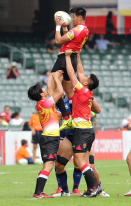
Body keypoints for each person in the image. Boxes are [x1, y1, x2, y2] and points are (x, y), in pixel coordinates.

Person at [64, 50, 100, 197]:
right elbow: (79, 71)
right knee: (83, 161)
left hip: (82, 131)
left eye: (86, 77)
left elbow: (72, 73)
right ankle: (93, 188)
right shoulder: (88, 92)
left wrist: (67, 57)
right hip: (88, 130)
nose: (83, 76)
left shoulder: (81, 90)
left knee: (79, 160)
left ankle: (93, 187)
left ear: (86, 82)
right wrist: (77, 56)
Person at [48, 7, 89, 125]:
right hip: (73, 59)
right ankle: (71, 116)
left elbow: (59, 41)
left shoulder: (76, 30)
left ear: (80, 17)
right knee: (69, 91)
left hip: (63, 59)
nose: (72, 19)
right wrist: (65, 28)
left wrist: (58, 26)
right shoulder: (85, 30)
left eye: (74, 17)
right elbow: (70, 40)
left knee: (51, 90)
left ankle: (64, 117)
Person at [28, 70, 63, 198]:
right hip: (50, 138)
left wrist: (52, 76)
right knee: (48, 165)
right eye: (43, 88)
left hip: (49, 137)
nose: (45, 89)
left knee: (46, 165)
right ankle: (38, 193)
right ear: (41, 94)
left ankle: (38, 192)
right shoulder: (44, 103)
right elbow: (60, 93)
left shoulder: (43, 103)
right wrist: (58, 80)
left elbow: (50, 89)